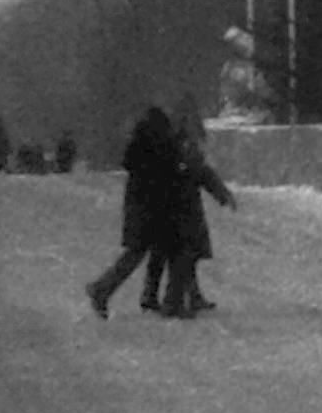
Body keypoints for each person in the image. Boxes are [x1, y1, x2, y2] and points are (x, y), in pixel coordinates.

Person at [146, 109, 237, 317]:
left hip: (177, 209)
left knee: (183, 255)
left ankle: (186, 298)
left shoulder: (172, 145)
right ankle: (173, 303)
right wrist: (222, 194)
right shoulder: (178, 148)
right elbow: (200, 172)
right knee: (184, 255)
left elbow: (199, 171)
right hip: (182, 210)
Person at [87, 108, 176, 318]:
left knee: (144, 252)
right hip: (153, 210)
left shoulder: (139, 146)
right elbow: (166, 175)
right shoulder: (159, 147)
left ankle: (141, 295)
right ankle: (103, 288)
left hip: (139, 209)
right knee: (142, 253)